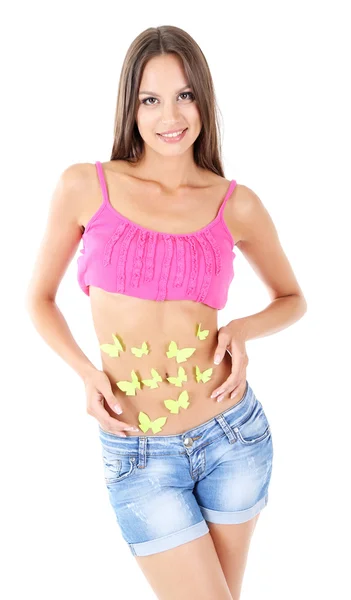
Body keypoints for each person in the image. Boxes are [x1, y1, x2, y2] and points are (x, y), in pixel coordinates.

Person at [26, 25, 307, 600]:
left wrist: (241, 329)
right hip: (138, 453)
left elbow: (292, 299)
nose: (169, 115)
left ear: (203, 98)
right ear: (130, 108)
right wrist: (86, 373)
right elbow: (38, 299)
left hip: (232, 436)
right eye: (150, 99)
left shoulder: (236, 203)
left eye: (184, 95)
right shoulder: (85, 186)